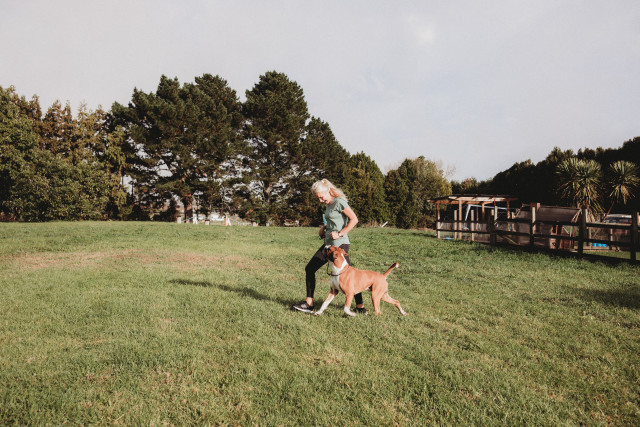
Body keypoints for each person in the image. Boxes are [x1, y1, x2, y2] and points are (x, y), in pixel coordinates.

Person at [292, 179, 367, 314]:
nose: (320, 200)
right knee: (310, 269)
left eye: (321, 197)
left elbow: (354, 219)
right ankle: (309, 304)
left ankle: (360, 307)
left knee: (350, 276)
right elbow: (334, 220)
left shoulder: (339, 202)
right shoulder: (328, 204)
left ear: (328, 191)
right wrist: (324, 228)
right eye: (318, 198)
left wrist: (340, 233)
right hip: (328, 244)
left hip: (340, 245)